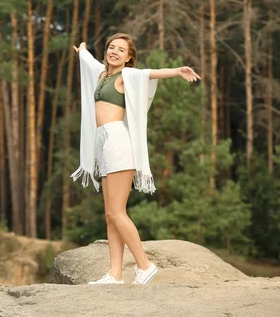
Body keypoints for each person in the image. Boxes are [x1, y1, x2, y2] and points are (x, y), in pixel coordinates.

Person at [71, 33, 200, 285]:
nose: (114, 52)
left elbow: (150, 73)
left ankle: (145, 265)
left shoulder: (126, 76)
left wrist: (177, 71)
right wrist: (83, 50)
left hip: (118, 143)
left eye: (121, 50)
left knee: (117, 212)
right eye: (111, 47)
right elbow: (90, 62)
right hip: (103, 144)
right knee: (110, 214)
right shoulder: (102, 75)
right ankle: (115, 274)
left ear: (129, 57)